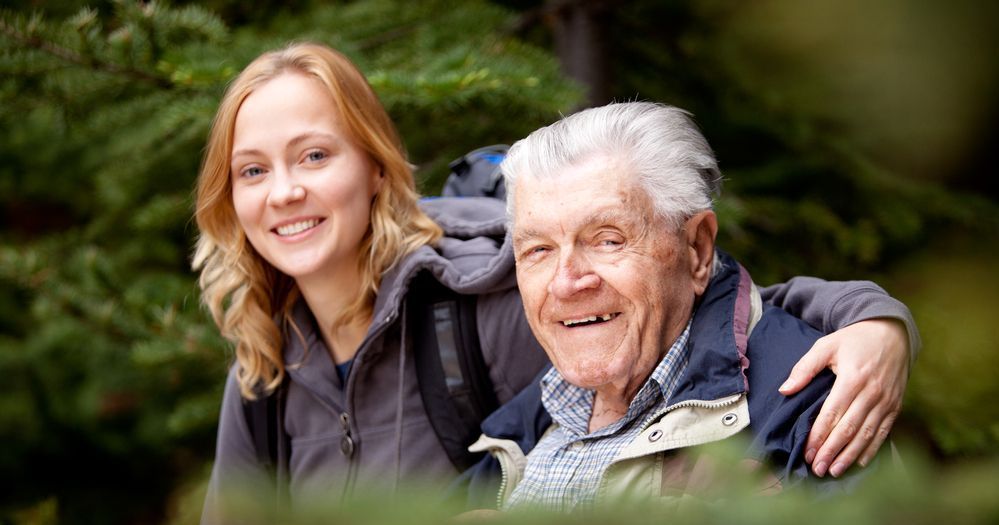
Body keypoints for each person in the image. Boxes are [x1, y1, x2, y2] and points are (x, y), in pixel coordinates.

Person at [191, 43, 917, 521]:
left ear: (376, 167)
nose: (283, 191)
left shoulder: (476, 306)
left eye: (314, 155)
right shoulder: (266, 365)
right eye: (252, 169)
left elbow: (718, 312)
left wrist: (870, 322)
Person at [461, 101, 906, 511]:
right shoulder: (518, 424)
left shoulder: (815, 404)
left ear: (696, 248)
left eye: (608, 240)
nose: (565, 282)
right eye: (538, 250)